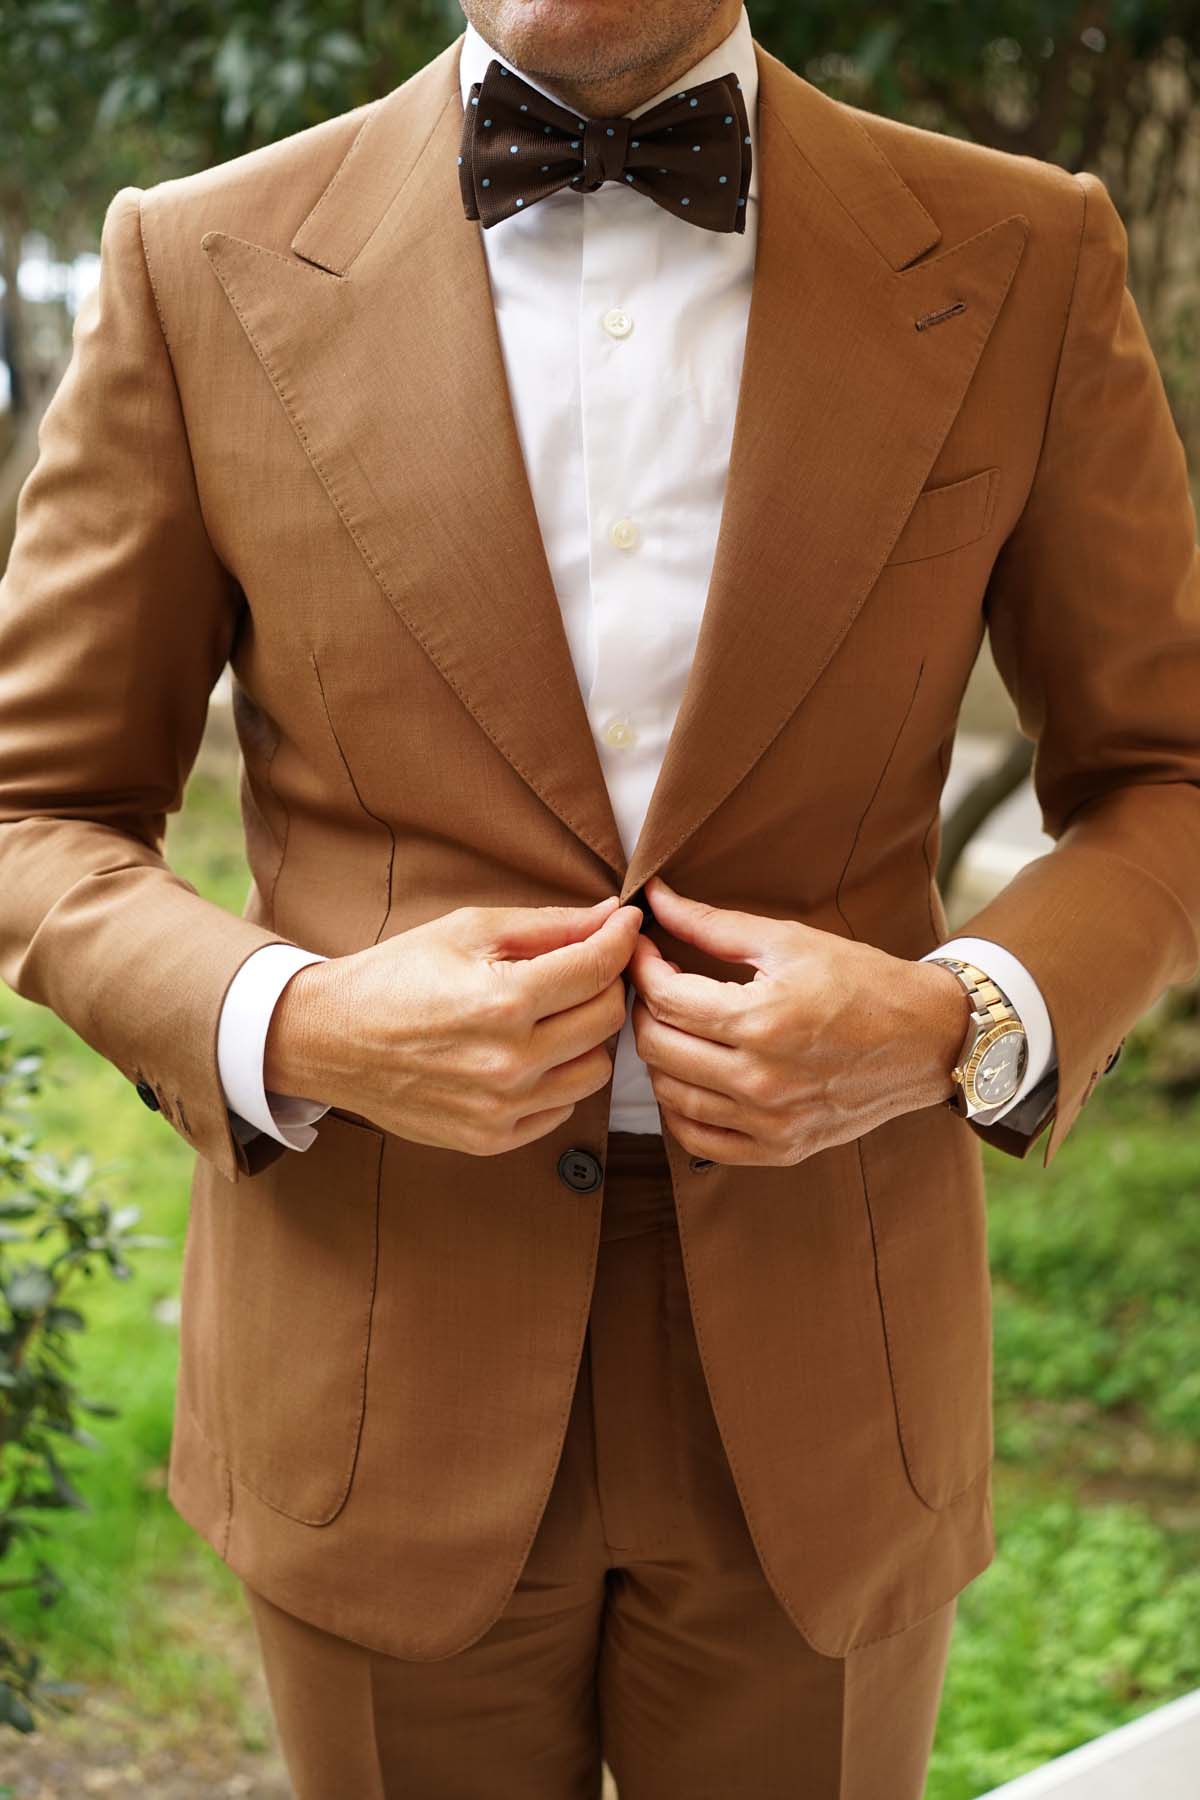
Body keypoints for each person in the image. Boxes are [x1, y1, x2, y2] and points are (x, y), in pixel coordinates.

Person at [1, 0, 1198, 1793]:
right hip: (377, 1345)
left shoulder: (1027, 250)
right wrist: (299, 1023)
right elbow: (42, 808)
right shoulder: (195, 262)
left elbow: (1165, 773)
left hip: (833, 1352)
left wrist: (960, 1018)